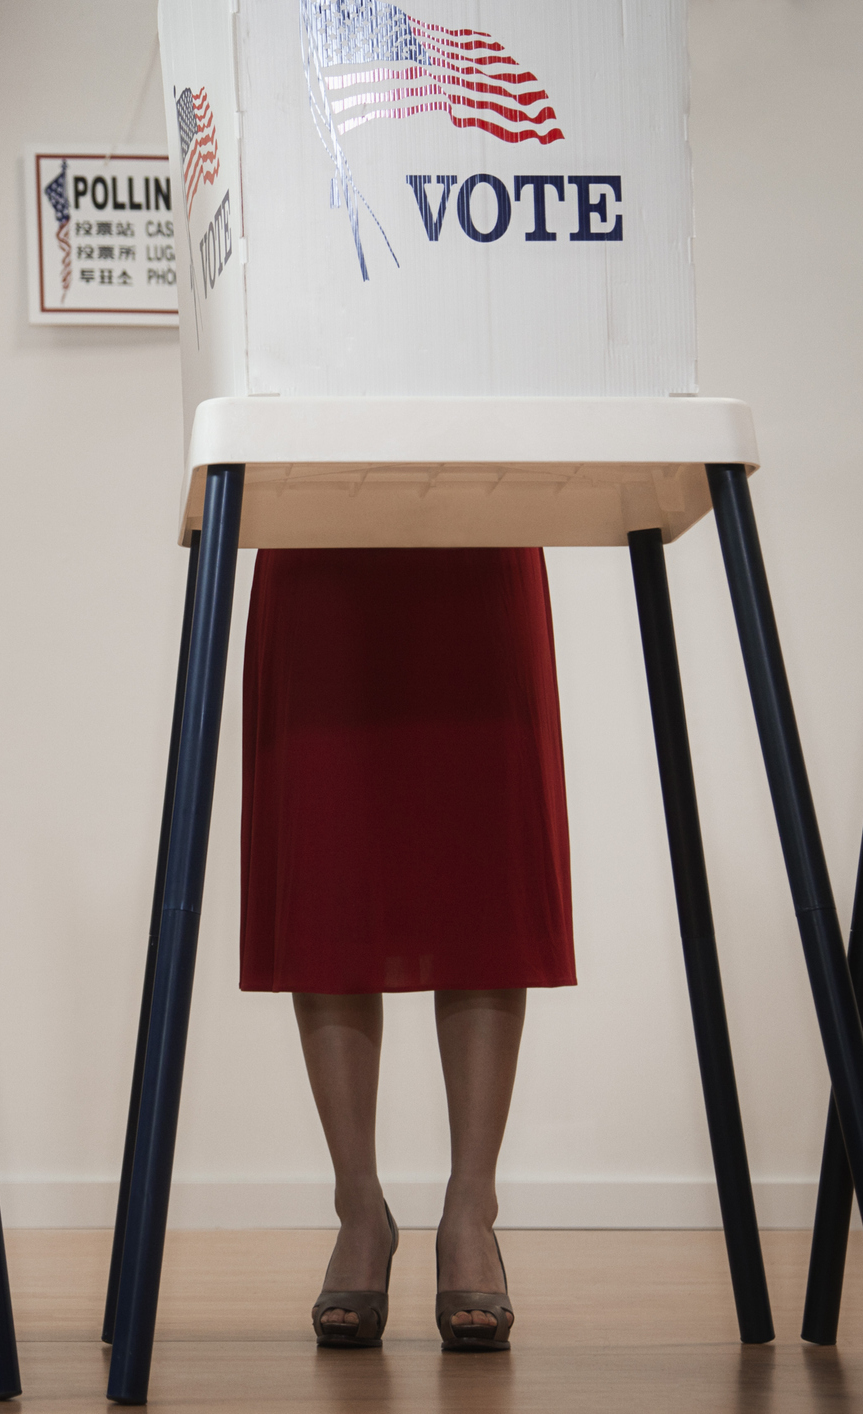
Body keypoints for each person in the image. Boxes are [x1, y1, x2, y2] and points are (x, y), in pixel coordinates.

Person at [237, 546, 574, 1352]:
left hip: (477, 517)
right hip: (317, 518)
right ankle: (358, 1207)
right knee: (328, 869)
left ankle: (471, 1209)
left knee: (480, 862)